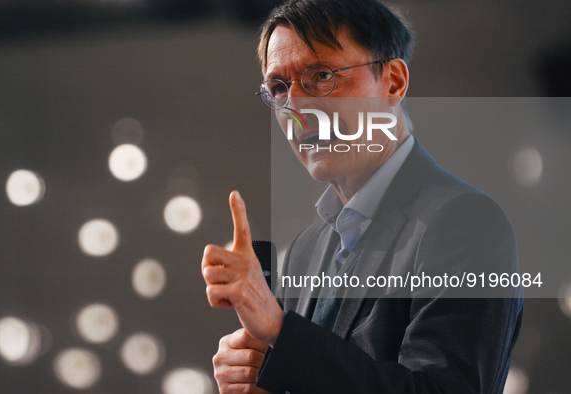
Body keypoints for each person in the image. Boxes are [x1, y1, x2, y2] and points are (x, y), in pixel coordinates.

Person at [201, 0, 523, 393]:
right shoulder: (306, 248)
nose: (297, 107)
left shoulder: (466, 222)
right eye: (279, 88)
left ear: (393, 83)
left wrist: (282, 334)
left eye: (321, 75)